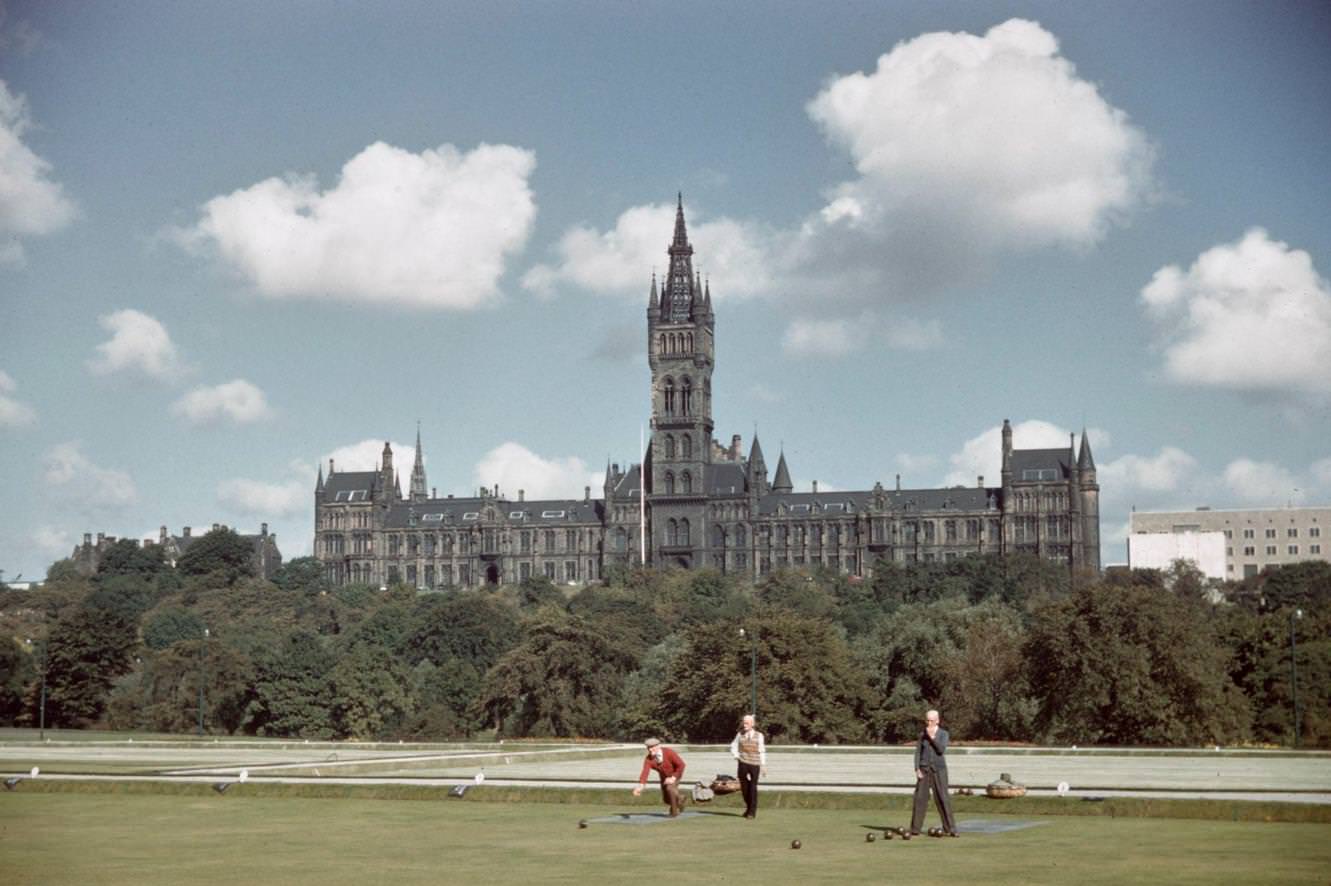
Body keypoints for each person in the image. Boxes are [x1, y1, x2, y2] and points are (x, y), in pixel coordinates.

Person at [910, 709, 958, 837]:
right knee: (920, 799)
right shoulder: (922, 735)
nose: (929, 723)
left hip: (939, 770)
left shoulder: (943, 734)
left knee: (943, 798)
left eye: (931, 720)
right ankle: (915, 829)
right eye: (927, 720)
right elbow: (918, 752)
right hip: (924, 770)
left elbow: (941, 750)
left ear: (937, 721)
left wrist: (931, 738)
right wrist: (917, 768)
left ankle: (951, 828)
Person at [633, 737, 687, 817]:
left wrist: (673, 778)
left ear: (658, 746)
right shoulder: (649, 759)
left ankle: (674, 812)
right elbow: (645, 772)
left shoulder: (669, 752)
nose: (650, 750)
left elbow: (681, 765)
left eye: (652, 747)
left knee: (670, 788)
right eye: (648, 748)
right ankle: (680, 798)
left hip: (675, 775)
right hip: (664, 778)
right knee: (666, 800)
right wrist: (641, 786)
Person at [728, 713, 767, 819]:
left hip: (755, 764)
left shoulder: (759, 736)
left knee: (753, 787)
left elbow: (762, 751)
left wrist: (763, 765)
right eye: (744, 722)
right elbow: (733, 745)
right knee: (744, 787)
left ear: (752, 724)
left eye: (747, 723)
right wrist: (736, 756)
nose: (744, 725)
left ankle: (752, 812)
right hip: (743, 763)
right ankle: (749, 807)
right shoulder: (739, 734)